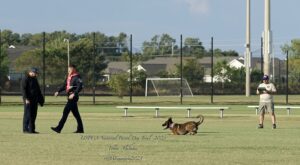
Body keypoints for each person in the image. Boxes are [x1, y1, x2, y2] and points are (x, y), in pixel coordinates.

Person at [51, 65, 84, 133]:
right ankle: (80, 129)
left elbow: (80, 86)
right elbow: (64, 86)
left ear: (73, 69)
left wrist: (74, 93)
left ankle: (58, 128)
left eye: (70, 70)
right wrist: (58, 91)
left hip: (73, 97)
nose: (68, 71)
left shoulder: (77, 77)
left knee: (65, 112)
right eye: (68, 70)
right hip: (69, 97)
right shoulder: (69, 77)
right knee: (76, 115)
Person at [21, 67, 44, 134]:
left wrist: (41, 100)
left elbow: (38, 90)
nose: (36, 74)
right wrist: (26, 99)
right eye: (35, 73)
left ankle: (31, 129)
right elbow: (23, 90)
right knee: (28, 115)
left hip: (35, 100)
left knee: (33, 115)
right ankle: (25, 129)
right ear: (30, 72)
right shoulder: (25, 78)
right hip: (28, 100)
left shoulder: (34, 79)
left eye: (36, 73)